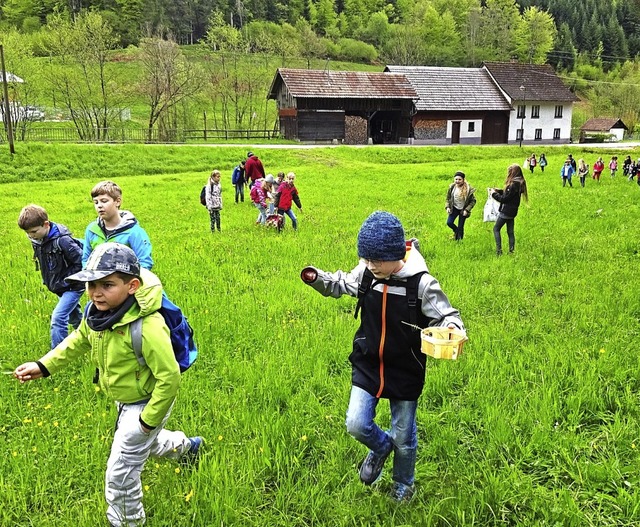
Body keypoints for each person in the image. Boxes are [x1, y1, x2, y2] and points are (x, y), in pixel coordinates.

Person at [13, 242, 203, 527]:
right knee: (144, 445)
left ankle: (127, 522)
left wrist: (147, 421)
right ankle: (188, 448)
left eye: (107, 284)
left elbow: (169, 377)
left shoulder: (147, 327)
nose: (95, 292)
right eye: (91, 284)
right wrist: (44, 365)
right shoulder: (97, 312)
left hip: (147, 403)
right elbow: (78, 339)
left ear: (132, 285)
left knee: (121, 471)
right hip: (125, 399)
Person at [300, 211, 465, 502]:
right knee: (356, 423)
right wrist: (316, 278)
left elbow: (447, 316)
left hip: (405, 368)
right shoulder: (367, 273)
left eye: (376, 259)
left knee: (404, 436)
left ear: (397, 253)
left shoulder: (422, 285)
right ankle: (379, 447)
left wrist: (451, 329)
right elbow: (341, 284)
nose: (370, 265)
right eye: (366, 258)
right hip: (369, 362)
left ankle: (404, 484)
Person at [17, 204, 84, 348]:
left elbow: (82, 262)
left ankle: (57, 358)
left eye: (33, 231)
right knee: (75, 317)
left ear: (46, 224)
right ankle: (90, 337)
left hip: (72, 286)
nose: (30, 235)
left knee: (58, 318)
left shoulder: (63, 241)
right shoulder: (38, 240)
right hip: (59, 286)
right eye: (27, 233)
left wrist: (66, 280)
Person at [83, 180, 153, 270]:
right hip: (97, 280)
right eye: (96, 202)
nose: (99, 206)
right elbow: (86, 259)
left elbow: (145, 263)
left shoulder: (133, 232)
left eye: (104, 201)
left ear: (117, 201)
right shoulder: (91, 229)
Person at [490, 163, 528, 255]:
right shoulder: (520, 183)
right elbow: (509, 195)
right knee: (510, 232)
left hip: (506, 211)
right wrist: (499, 191)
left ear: (512, 172)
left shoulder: (513, 185)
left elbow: (504, 199)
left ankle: (499, 251)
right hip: (513, 212)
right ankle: (512, 251)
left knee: (496, 229)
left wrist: (493, 194)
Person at [444, 171, 476, 241]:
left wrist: (467, 210)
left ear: (463, 180)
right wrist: (448, 207)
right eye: (456, 179)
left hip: (463, 210)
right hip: (454, 208)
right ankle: (456, 231)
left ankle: (459, 241)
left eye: (459, 179)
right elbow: (448, 198)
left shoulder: (468, 189)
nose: (457, 181)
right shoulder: (452, 187)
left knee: (461, 226)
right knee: (449, 222)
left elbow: (473, 201)